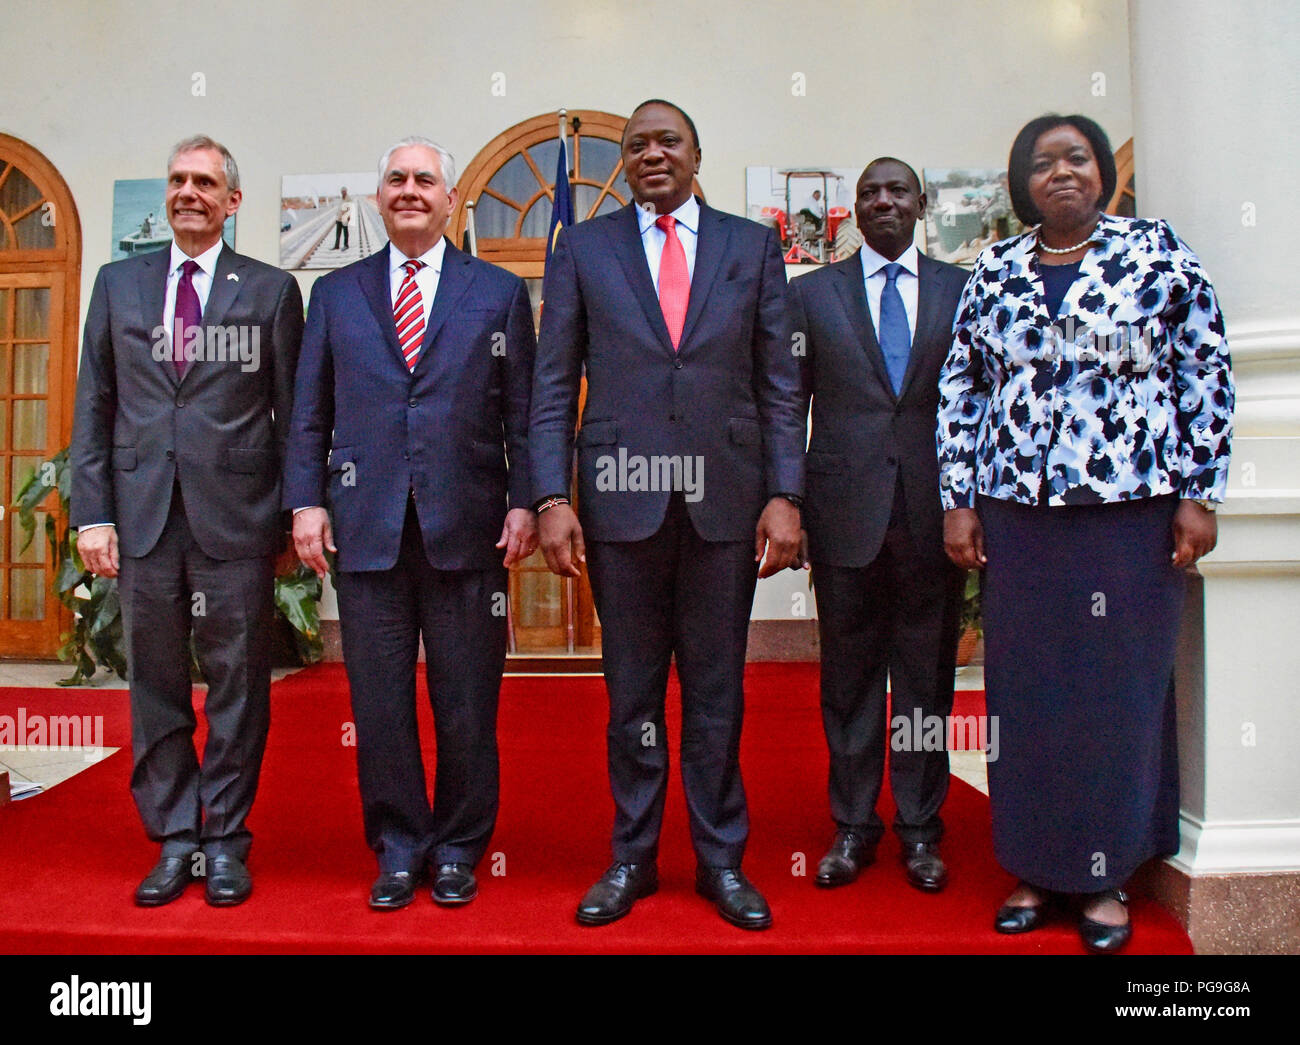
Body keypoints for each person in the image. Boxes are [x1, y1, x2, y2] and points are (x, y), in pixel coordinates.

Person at [937, 113, 1233, 953]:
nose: (1060, 173)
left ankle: (1105, 876)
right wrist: (959, 497)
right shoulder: (993, 267)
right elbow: (964, 387)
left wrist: (1198, 491)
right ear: (1020, 182)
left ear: (1102, 171)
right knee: (1029, 693)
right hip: (1018, 514)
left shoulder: (1156, 253)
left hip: (1128, 511)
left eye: (1076, 158)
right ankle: (1035, 865)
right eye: (1041, 163)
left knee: (1117, 691)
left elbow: (1202, 366)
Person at [531, 99, 806, 931]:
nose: (653, 154)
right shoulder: (583, 248)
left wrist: (786, 493)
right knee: (633, 696)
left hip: (724, 503)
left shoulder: (752, 246)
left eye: (668, 141)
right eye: (637, 144)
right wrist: (551, 497)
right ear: (624, 161)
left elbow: (779, 382)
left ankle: (721, 860)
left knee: (719, 693)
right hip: (622, 504)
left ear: (696, 152)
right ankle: (633, 857)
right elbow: (551, 383)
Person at [284, 136, 536, 911]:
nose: (409, 189)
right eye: (395, 179)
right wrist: (305, 501)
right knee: (381, 706)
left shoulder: (496, 293)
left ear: (449, 199)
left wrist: (527, 499)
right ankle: (398, 846)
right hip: (366, 531)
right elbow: (307, 414)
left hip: (469, 531)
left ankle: (460, 846)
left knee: (466, 703)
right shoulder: (335, 294)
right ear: (378, 196)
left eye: (425, 179)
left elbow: (522, 416)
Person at [71, 135, 303, 907]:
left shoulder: (270, 292)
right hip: (141, 521)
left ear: (232, 201)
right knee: (156, 686)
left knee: (240, 689)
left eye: (205, 182)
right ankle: (176, 836)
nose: (188, 192)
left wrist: (291, 521)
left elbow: (293, 416)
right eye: (177, 180)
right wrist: (92, 513)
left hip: (235, 521)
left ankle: (227, 841)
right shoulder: (118, 284)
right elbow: (95, 407)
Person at [791, 157, 969, 894]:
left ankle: (923, 828)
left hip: (935, 521)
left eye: (898, 190)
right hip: (845, 519)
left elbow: (979, 402)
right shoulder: (812, 296)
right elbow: (784, 405)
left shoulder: (965, 291)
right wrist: (788, 501)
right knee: (851, 681)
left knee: (926, 683)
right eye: (870, 192)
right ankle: (854, 825)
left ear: (921, 204)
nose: (884, 201)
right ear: (851, 211)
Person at [332, 187, 354, 252]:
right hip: (339, 218)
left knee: (345, 232)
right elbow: (339, 208)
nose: (343, 192)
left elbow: (350, 208)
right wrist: (337, 217)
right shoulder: (341, 198)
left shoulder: (348, 199)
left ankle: (346, 245)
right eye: (342, 191)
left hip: (345, 218)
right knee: (338, 233)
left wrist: (349, 217)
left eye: (344, 191)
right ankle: (336, 246)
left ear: (346, 191)